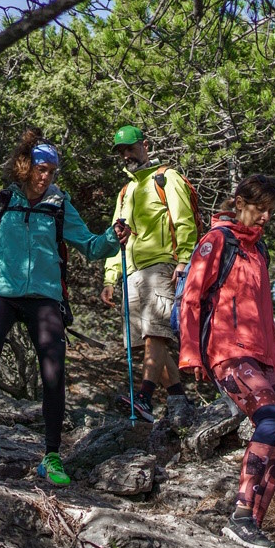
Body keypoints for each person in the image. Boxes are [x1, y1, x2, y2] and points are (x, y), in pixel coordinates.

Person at [0, 128, 130, 486]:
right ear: (25, 167)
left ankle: (52, 456)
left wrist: (111, 239)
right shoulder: (2, 201)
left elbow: (90, 245)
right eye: (41, 169)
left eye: (51, 172)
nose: (46, 177)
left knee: (53, 365)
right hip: (2, 291)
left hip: (45, 295)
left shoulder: (58, 205)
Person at [177, 174, 275, 548]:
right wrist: (191, 353)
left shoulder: (259, 253)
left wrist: (274, 369)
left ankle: (251, 528)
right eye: (260, 208)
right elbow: (191, 298)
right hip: (225, 351)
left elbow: (264, 314)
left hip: (260, 357)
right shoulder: (217, 241)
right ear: (240, 202)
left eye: (270, 211)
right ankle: (241, 518)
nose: (265, 217)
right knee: (270, 419)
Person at [101, 125, 198, 423]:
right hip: (132, 272)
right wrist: (110, 276)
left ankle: (143, 397)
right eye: (121, 151)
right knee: (144, 341)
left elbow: (184, 221)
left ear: (145, 145)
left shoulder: (166, 178)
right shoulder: (126, 191)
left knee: (156, 334)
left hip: (162, 265)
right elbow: (118, 236)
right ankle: (179, 400)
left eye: (130, 148)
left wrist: (183, 261)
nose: (126, 155)